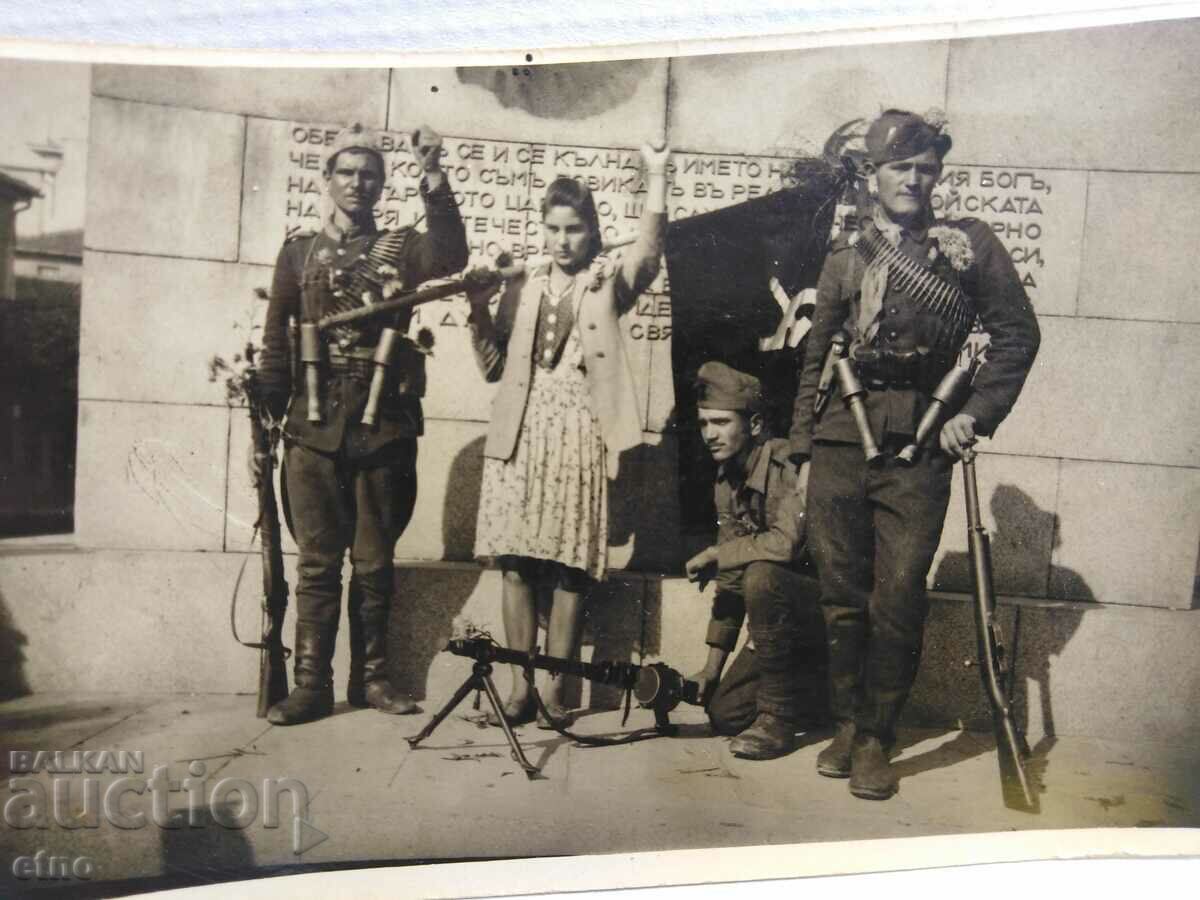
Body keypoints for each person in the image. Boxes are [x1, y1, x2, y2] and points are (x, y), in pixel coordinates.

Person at [789, 109, 1040, 798]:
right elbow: (819, 352)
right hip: (843, 435)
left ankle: (877, 736)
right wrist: (801, 447)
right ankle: (847, 722)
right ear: (874, 174)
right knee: (841, 594)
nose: (914, 179)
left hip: (922, 443)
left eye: (926, 167)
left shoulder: (967, 245)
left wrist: (975, 414)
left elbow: (1016, 335)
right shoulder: (849, 250)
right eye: (900, 166)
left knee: (897, 595)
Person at [253, 122, 469, 725]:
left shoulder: (402, 246)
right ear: (326, 181)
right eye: (346, 172)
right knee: (318, 562)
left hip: (382, 424)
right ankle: (310, 685)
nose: (357, 183)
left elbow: (452, 255)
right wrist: (270, 412)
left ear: (381, 183)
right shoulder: (298, 253)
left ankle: (372, 680)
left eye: (369, 173)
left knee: (375, 561)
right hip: (313, 426)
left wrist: (432, 172)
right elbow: (278, 337)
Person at [464, 141, 670, 729]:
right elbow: (493, 365)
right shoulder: (523, 284)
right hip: (521, 436)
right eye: (553, 228)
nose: (562, 241)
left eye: (574, 229)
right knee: (516, 564)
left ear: (592, 231)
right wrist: (478, 306)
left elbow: (649, 256)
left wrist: (655, 175)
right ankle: (517, 685)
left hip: (579, 431)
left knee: (570, 567)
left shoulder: (606, 282)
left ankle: (558, 689)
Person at [684, 362, 826, 759]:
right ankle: (814, 695)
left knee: (763, 576)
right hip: (779, 626)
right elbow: (729, 581)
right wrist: (712, 669)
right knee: (726, 714)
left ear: (757, 424)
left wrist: (719, 554)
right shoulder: (727, 480)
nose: (710, 434)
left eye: (721, 422)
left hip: (825, 615)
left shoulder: (788, 467)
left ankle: (780, 714)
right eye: (703, 424)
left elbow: (786, 545)